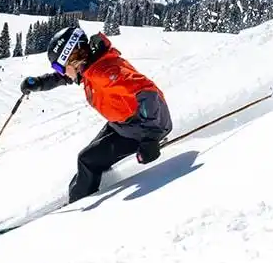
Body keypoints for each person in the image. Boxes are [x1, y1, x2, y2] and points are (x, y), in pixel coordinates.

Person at [20, 25, 173, 204]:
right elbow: (64, 78)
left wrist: (150, 137)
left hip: (142, 127)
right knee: (87, 160)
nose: (61, 73)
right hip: (124, 123)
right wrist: (39, 83)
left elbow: (147, 92)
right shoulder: (92, 65)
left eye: (60, 67)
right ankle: (80, 195)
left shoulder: (104, 72)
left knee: (87, 160)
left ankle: (80, 205)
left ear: (72, 59)